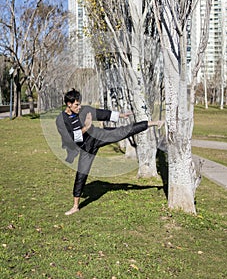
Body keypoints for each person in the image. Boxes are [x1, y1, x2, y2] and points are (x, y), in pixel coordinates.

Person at [56, 88, 164, 216]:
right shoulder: (61, 120)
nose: (79, 107)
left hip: (97, 135)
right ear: (69, 104)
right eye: (76, 105)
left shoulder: (83, 110)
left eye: (79, 104)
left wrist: (120, 116)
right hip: (85, 148)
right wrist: (86, 127)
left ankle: (155, 123)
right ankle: (75, 206)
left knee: (123, 131)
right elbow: (71, 139)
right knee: (81, 175)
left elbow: (101, 113)